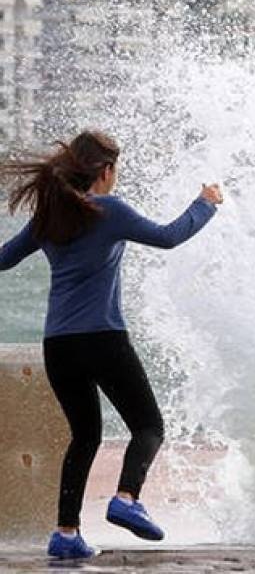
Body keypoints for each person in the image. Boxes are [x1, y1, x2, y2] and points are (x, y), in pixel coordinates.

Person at [0, 131, 223, 560]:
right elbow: (169, 236)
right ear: (105, 171)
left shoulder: (50, 216)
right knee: (148, 426)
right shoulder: (111, 210)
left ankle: (66, 532)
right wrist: (206, 204)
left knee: (84, 436)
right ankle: (126, 497)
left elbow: (5, 257)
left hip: (59, 345)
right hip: (102, 337)